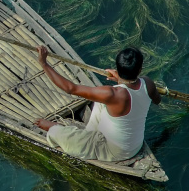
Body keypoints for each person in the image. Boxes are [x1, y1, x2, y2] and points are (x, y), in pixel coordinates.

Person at [33, 45, 161, 161]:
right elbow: (156, 100)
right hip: (135, 145)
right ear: (140, 70)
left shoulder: (112, 94)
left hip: (115, 151)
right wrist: (120, 80)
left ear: (117, 67)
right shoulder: (148, 83)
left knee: (57, 133)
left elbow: (71, 88)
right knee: (101, 102)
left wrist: (44, 63)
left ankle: (54, 128)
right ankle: (89, 132)